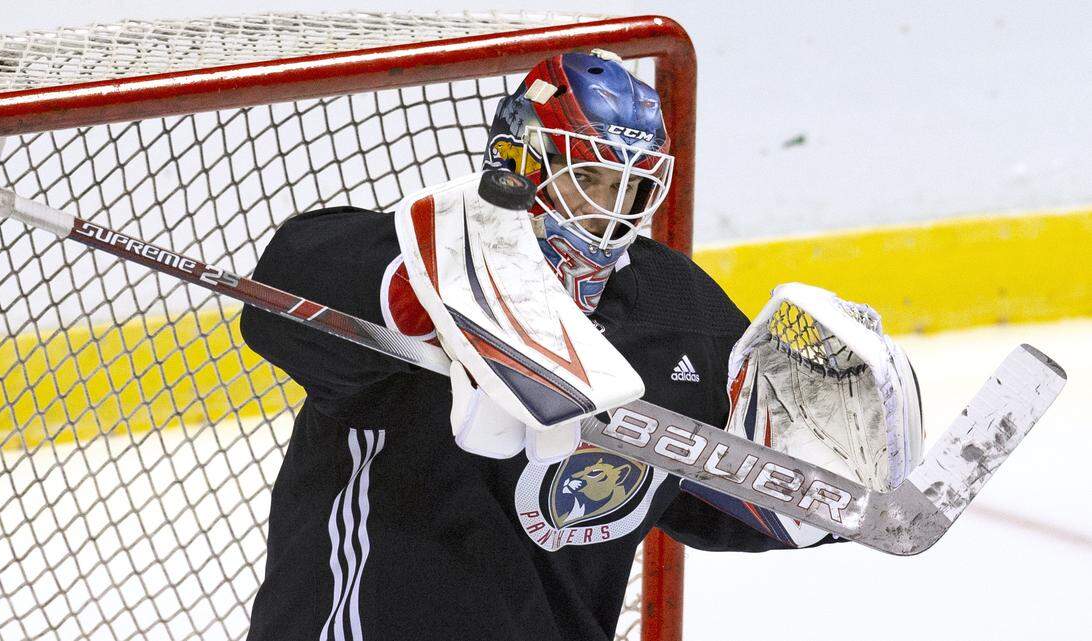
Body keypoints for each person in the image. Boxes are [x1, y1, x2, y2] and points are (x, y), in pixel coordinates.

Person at [240, 51, 911, 641]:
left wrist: (819, 483)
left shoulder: (678, 314)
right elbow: (284, 289)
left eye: (632, 186)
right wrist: (443, 314)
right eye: (589, 178)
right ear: (523, 159)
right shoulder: (425, 261)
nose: (608, 208)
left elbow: (708, 488)